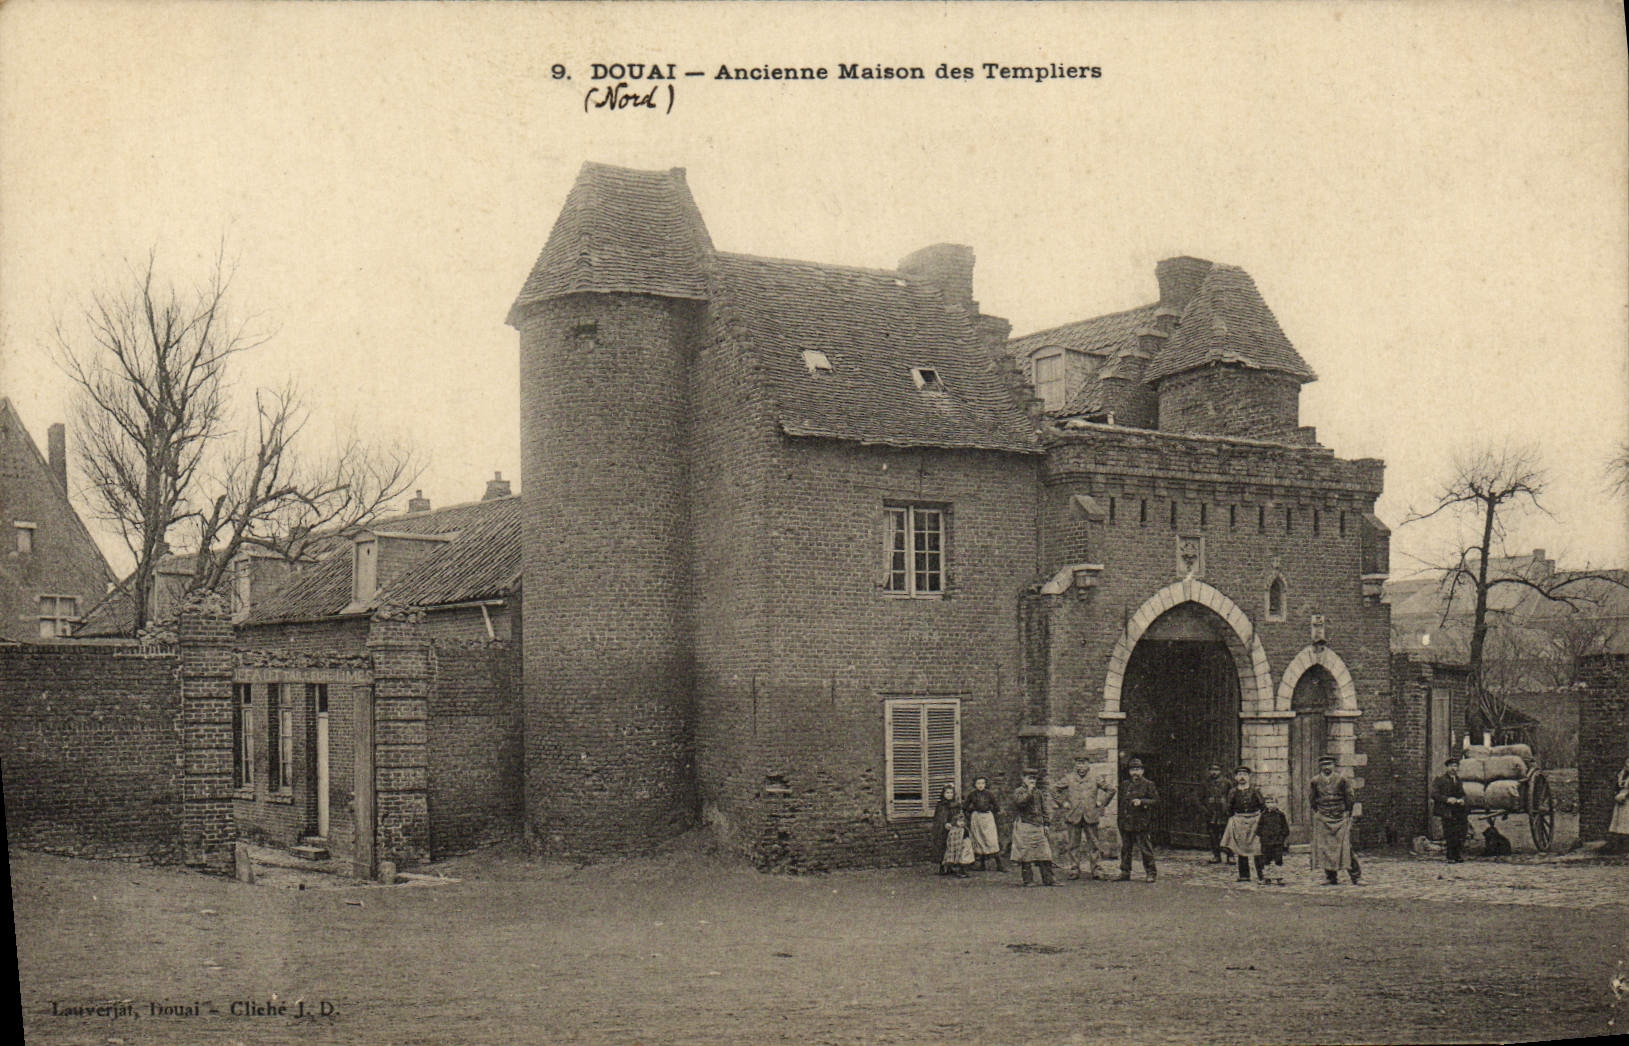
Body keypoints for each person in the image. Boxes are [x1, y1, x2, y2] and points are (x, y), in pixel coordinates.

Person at [1051, 756, 1118, 880]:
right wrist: (1063, 803)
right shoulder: (1069, 778)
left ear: (1088, 764)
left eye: (1083, 763)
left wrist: (1101, 802)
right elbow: (1054, 789)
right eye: (1078, 763)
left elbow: (1111, 789)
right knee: (1072, 844)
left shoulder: (1095, 777)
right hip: (1073, 815)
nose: (1080, 766)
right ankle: (1074, 869)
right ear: (1075, 765)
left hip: (1090, 815)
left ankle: (1096, 869)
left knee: (1094, 844)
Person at [1310, 754, 1362, 884]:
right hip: (1323, 816)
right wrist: (1320, 812)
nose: (1326, 767)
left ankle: (1356, 876)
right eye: (1324, 765)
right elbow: (1312, 799)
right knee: (1326, 847)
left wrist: (1346, 813)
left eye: (1329, 764)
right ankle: (1331, 877)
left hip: (1340, 817)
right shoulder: (1315, 781)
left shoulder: (1342, 780)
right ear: (1320, 767)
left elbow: (1349, 798)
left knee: (1345, 848)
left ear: (1334, 766)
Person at [1009, 769, 1059, 886]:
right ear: (1023, 779)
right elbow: (1020, 803)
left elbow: (1044, 809)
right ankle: (1028, 880)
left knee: (1045, 853)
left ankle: (1049, 879)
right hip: (1025, 825)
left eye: (1034, 779)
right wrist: (1029, 792)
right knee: (1026, 854)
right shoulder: (1019, 791)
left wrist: (1046, 824)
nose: (1032, 781)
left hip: (1038, 825)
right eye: (1029, 778)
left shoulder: (1039, 793)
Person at [1219, 765, 1267, 883]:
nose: (1242, 778)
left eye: (1244, 775)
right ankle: (1244, 875)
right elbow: (1228, 808)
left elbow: (1263, 806)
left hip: (1254, 821)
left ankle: (1261, 874)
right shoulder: (1233, 792)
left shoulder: (1255, 790)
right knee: (1241, 848)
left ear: (1249, 777)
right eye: (1239, 775)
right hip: (1239, 821)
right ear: (1235, 778)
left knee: (1257, 848)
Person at [1117, 757, 1159, 882]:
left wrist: (1142, 801)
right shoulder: (1125, 784)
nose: (1135, 772)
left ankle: (1151, 872)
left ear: (1142, 771)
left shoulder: (1148, 784)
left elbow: (1156, 801)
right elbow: (1121, 802)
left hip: (1141, 821)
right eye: (1132, 770)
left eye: (1138, 769)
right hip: (1126, 821)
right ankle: (1125, 872)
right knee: (1126, 848)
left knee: (1145, 848)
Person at [1430, 756, 1469, 864]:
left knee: (1461, 832)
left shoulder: (1458, 780)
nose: (1454, 768)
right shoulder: (1440, 780)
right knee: (1450, 833)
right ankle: (1450, 856)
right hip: (1447, 810)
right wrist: (1447, 799)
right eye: (1452, 766)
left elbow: (1463, 794)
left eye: (1456, 766)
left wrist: (1462, 799)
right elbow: (1434, 794)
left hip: (1458, 810)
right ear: (1447, 767)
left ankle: (1457, 855)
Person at [965, 776, 1005, 870]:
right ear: (975, 785)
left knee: (991, 840)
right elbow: (965, 807)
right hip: (977, 818)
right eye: (978, 783)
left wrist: (990, 810)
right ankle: (982, 865)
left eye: (982, 783)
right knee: (979, 840)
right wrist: (971, 812)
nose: (980, 785)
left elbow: (996, 807)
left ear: (985, 784)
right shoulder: (972, 795)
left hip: (987, 818)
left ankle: (999, 865)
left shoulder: (989, 794)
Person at [1200, 763, 1232, 864]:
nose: (1214, 772)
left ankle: (1230, 855)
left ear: (1221, 771)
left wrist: (1228, 808)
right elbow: (1200, 798)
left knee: (1226, 835)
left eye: (1216, 770)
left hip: (1223, 812)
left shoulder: (1227, 783)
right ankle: (1216, 855)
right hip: (1211, 813)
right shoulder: (1205, 783)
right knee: (1213, 835)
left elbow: (1231, 796)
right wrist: (1205, 809)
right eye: (1212, 770)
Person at [1257, 793, 1291, 884]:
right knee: (1266, 860)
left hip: (1277, 842)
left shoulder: (1280, 815)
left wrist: (1281, 837)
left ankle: (1279, 877)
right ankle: (1267, 877)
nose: (1270, 804)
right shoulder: (1263, 815)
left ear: (1276, 803)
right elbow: (1259, 828)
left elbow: (1285, 828)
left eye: (1272, 802)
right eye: (1268, 802)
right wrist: (1262, 836)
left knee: (1278, 860)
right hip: (1266, 842)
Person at [931, 784, 962, 876]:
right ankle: (942, 867)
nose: (949, 795)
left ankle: (950, 867)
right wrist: (944, 823)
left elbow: (959, 816)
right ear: (943, 794)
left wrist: (957, 822)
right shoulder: (940, 805)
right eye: (947, 793)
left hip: (953, 828)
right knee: (942, 846)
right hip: (942, 828)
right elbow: (939, 817)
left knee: (952, 847)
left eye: (951, 793)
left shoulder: (956, 805)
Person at [943, 812, 974, 877]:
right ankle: (961, 871)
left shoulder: (964, 828)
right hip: (960, 842)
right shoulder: (954, 829)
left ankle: (963, 870)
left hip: (966, 841)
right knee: (961, 855)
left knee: (965, 855)